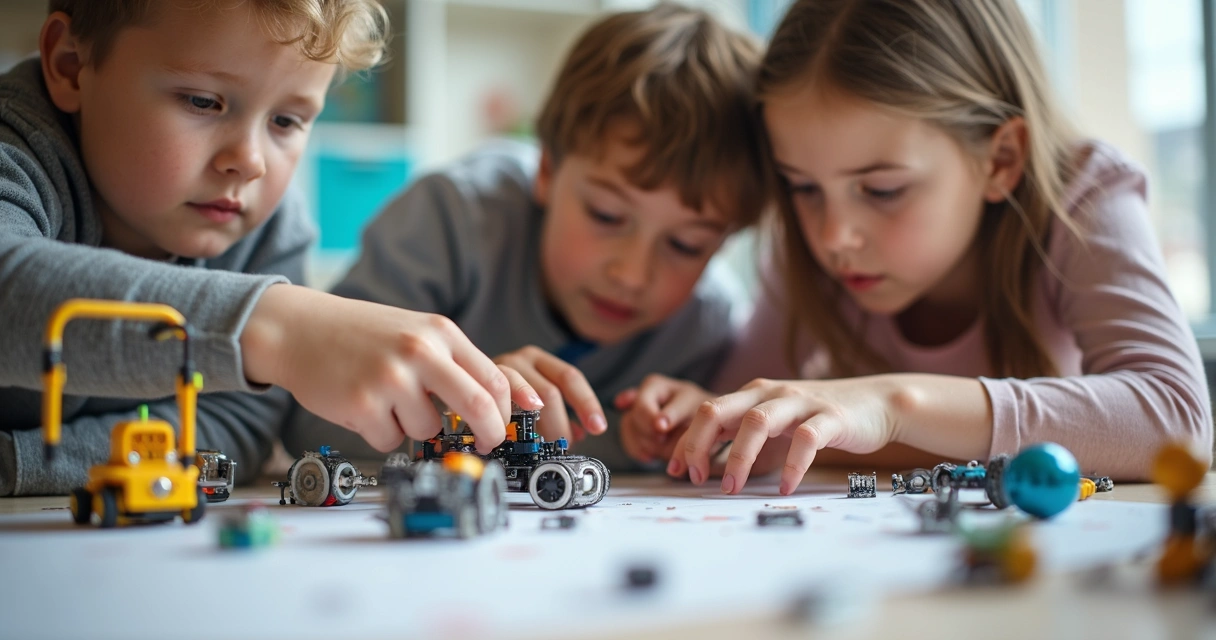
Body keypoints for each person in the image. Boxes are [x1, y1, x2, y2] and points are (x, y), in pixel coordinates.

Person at [623, 0, 1212, 493]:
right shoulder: (809, 248)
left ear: (1001, 159)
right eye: (802, 187)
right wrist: (703, 414)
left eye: (882, 189)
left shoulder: (1081, 195)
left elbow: (1176, 420)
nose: (834, 236)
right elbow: (761, 422)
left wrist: (892, 403)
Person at [0, 0, 540, 496]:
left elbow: (238, 422)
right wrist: (274, 326)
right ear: (70, 63)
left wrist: (14, 462)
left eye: (286, 120)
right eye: (203, 101)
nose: (251, 161)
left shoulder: (269, 228)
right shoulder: (15, 147)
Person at [284, 3, 766, 471]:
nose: (632, 274)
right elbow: (307, 421)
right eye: (606, 214)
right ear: (548, 171)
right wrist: (474, 403)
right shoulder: (450, 221)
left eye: (686, 245)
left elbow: (691, 452)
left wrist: (684, 435)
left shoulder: (707, 323)